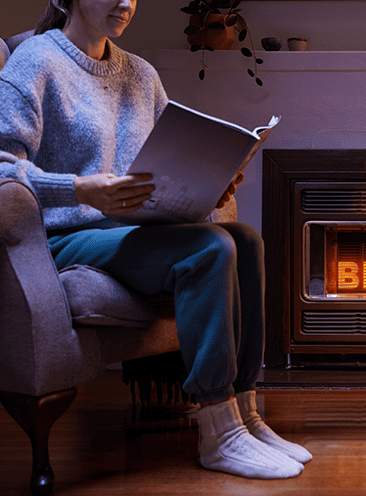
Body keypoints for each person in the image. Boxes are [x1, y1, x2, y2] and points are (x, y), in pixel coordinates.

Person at [0, 0, 311, 480]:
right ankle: (218, 431)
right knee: (210, 249)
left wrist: (211, 183)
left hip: (134, 230)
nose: (126, 2)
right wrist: (80, 188)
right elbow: (3, 166)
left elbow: (167, 158)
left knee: (245, 240)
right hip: (66, 236)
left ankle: (245, 415)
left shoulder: (140, 75)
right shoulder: (35, 61)